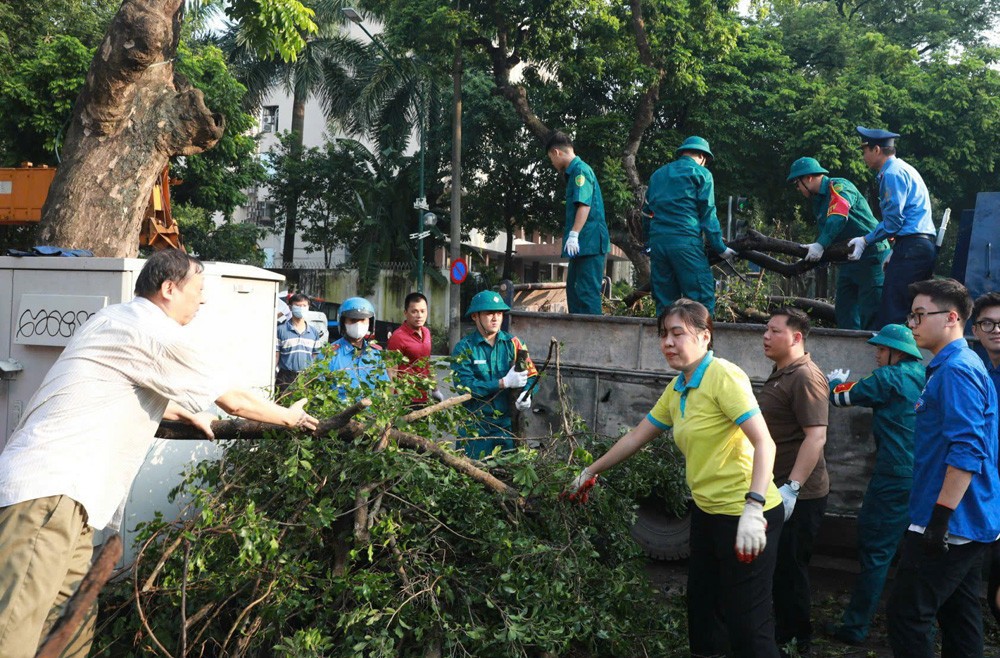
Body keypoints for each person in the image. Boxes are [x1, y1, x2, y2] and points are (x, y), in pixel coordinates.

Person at [0, 249, 319, 658]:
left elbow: (106, 384)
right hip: (48, 492)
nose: (202, 301)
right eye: (198, 291)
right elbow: (234, 399)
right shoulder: (151, 329)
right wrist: (289, 417)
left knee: (68, 628)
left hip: (74, 501)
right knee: (15, 627)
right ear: (169, 288)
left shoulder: (112, 320)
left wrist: (175, 408)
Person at [565, 299, 784, 658]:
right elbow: (637, 436)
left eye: (677, 333)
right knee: (702, 613)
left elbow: (765, 442)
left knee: (748, 626)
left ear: (704, 336)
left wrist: (753, 506)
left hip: (747, 517)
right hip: (708, 513)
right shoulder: (678, 388)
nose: (668, 342)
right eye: (663, 334)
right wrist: (590, 471)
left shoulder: (723, 377)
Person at [886, 278, 1000, 658]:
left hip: (951, 521)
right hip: (966, 519)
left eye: (920, 315)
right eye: (911, 316)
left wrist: (939, 519)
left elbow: (967, 450)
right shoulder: (958, 365)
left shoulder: (956, 370)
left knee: (907, 615)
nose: (912, 325)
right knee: (960, 614)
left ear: (952, 317)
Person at [823, 324, 925, 645]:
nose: (877, 355)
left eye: (881, 350)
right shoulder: (923, 376)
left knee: (875, 550)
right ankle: (922, 627)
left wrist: (835, 381)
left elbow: (841, 398)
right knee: (916, 555)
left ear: (897, 352)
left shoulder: (887, 378)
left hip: (893, 476)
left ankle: (854, 628)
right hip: (922, 475)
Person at [758, 308, 829, 656]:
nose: (766, 336)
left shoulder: (805, 377)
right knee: (778, 565)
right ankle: (782, 628)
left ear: (796, 337)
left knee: (790, 566)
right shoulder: (782, 371)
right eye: (765, 330)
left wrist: (793, 489)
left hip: (799, 493)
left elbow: (815, 437)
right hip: (777, 486)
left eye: (774, 331)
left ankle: (799, 638)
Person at [848, 127, 937, 328]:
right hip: (916, 245)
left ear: (876, 149)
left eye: (864, 151)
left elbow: (893, 222)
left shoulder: (892, 174)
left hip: (912, 247)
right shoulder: (904, 169)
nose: (863, 156)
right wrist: (896, 250)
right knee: (910, 309)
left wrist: (865, 240)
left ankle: (893, 359)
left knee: (893, 312)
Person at [787, 157, 889, 329]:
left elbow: (838, 217)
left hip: (872, 256)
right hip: (848, 260)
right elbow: (828, 231)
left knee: (871, 312)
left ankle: (874, 354)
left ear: (809, 178)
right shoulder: (818, 202)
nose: (797, 188)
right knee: (845, 312)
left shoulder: (839, 187)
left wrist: (820, 245)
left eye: (797, 183)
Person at [642, 136, 738, 316]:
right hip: (685, 242)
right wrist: (720, 248)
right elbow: (708, 215)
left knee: (665, 303)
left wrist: (649, 244)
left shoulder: (657, 175)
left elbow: (647, 213)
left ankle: (667, 343)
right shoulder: (702, 174)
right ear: (702, 156)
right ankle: (704, 343)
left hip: (658, 244)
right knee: (701, 299)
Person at [450, 291, 537, 458]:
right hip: (475, 430)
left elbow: (531, 375)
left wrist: (527, 392)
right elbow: (465, 387)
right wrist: (502, 383)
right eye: (489, 313)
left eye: (499, 313)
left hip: (507, 427)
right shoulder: (464, 349)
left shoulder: (515, 344)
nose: (496, 318)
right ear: (475, 316)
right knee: (471, 478)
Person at [545, 131, 610, 315]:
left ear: (556, 152)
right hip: (582, 245)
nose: (553, 164)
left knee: (587, 294)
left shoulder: (581, 170)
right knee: (574, 292)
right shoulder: (574, 173)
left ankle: (592, 341)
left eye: (551, 158)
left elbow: (584, 205)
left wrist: (573, 234)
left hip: (589, 242)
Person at [970, 292, 1000, 628]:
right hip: (986, 489)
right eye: (988, 323)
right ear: (975, 329)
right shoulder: (975, 371)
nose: (996, 330)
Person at [328, 296, 390, 400]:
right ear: (343, 323)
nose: (358, 324)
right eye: (353, 320)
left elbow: (383, 387)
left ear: (370, 323)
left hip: (371, 414)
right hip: (339, 414)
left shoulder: (375, 354)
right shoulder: (329, 354)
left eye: (362, 320)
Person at [387, 292, 440, 405]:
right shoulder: (398, 337)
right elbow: (391, 371)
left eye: (422, 311)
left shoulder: (426, 332)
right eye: (414, 311)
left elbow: (427, 363)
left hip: (423, 396)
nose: (419, 315)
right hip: (404, 399)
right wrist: (389, 403)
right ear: (405, 313)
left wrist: (435, 390)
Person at [275, 292, 323, 391]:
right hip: (285, 377)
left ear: (308, 307)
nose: (301, 308)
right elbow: (276, 356)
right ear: (290, 307)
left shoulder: (313, 332)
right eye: (297, 305)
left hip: (306, 377)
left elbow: (315, 357)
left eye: (304, 306)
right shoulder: (280, 330)